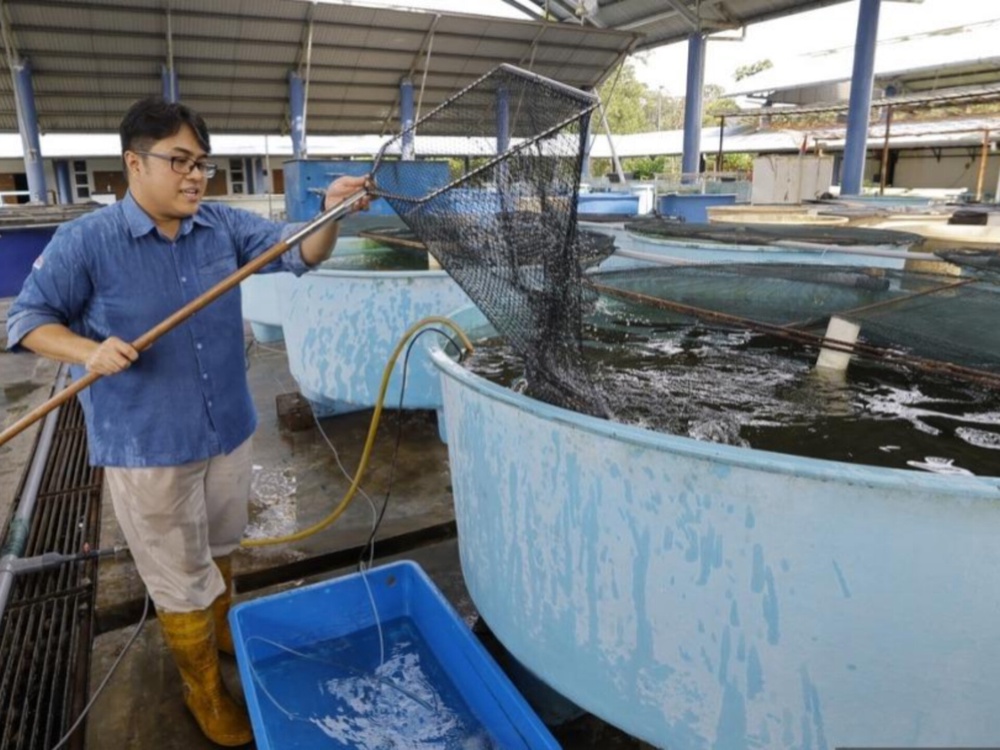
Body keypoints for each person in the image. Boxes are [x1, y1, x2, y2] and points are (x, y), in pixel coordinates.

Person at [6, 96, 369, 747]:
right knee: (177, 573)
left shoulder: (221, 226)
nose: (195, 176)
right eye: (179, 161)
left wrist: (331, 213)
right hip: (149, 448)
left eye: (202, 163)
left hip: (227, 429)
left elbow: (300, 253)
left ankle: (222, 624)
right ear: (133, 164)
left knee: (223, 543)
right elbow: (26, 321)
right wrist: (89, 350)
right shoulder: (86, 241)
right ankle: (201, 685)